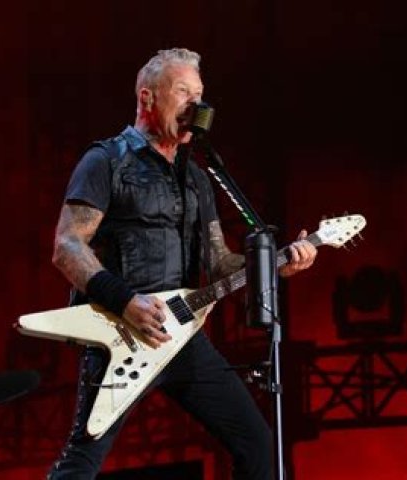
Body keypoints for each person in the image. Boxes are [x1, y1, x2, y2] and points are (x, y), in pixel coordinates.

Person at [47, 48, 317, 480]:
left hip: (184, 338)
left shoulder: (197, 178)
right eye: (183, 92)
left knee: (259, 447)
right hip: (122, 334)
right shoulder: (106, 161)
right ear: (148, 97)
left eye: (199, 94)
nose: (197, 104)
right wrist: (126, 300)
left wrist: (276, 264)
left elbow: (220, 262)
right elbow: (67, 246)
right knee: (81, 464)